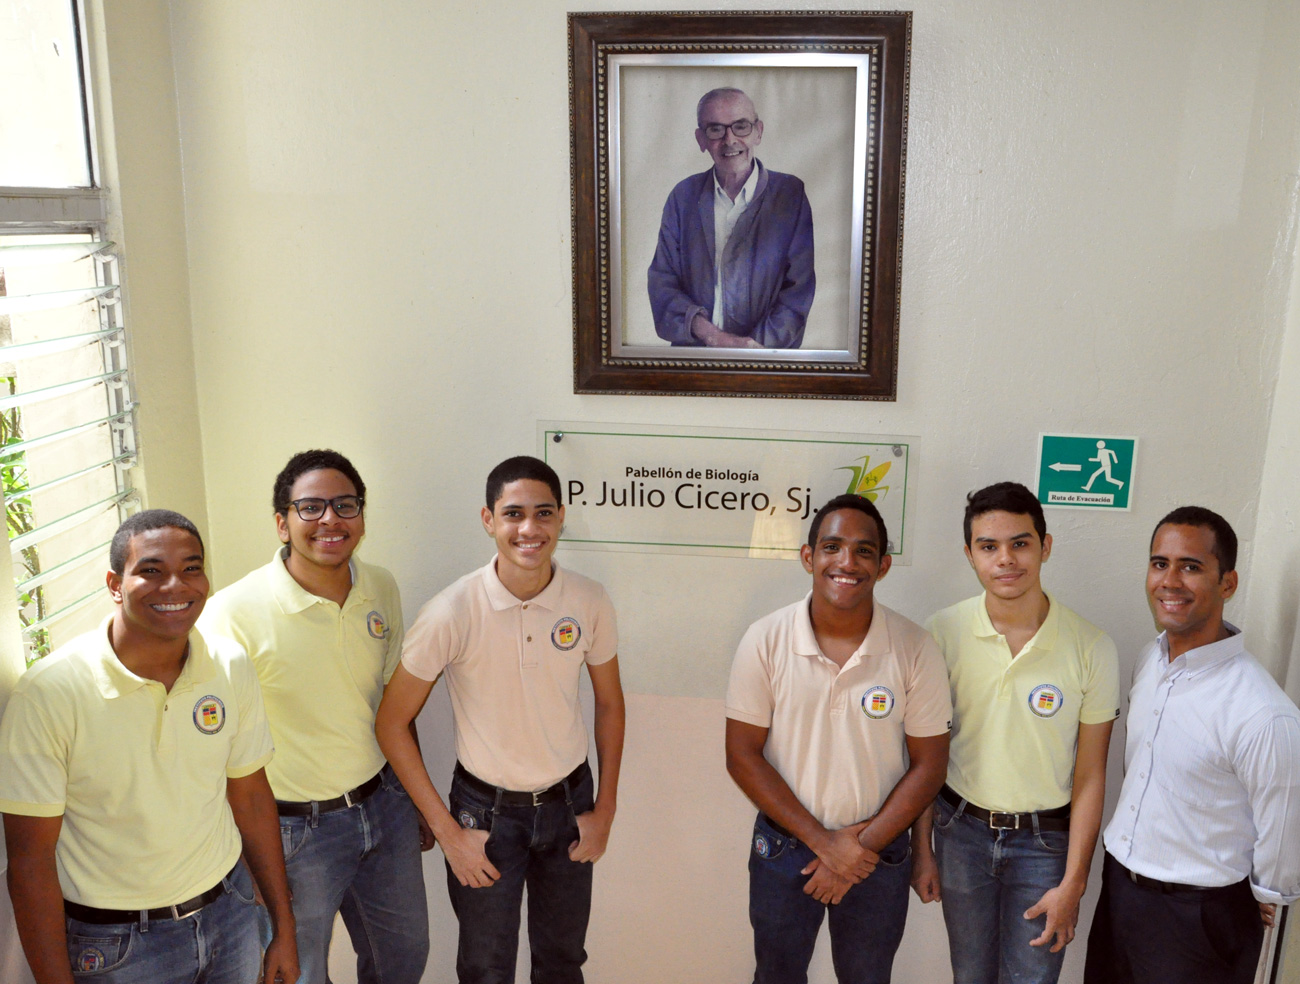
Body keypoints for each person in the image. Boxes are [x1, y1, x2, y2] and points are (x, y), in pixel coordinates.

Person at [0, 509, 298, 984]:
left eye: (192, 568)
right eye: (152, 570)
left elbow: (252, 797)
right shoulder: (49, 694)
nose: (176, 586)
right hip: (118, 948)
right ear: (115, 584)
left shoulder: (229, 664)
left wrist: (284, 925)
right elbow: (31, 864)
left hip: (231, 916)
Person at [375, 455, 625, 984]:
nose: (529, 529)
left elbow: (609, 703)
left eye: (543, 513)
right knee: (485, 969)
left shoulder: (588, 599)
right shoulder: (450, 611)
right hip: (483, 817)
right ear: (489, 520)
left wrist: (605, 809)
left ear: (561, 517)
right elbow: (391, 723)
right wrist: (448, 833)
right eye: (513, 514)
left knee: (563, 963)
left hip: (569, 805)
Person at [199, 450, 430, 984]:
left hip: (385, 808)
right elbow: (214, 744)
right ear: (282, 522)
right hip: (293, 832)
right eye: (311, 507)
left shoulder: (381, 586)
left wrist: (415, 798)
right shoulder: (232, 614)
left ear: (362, 518)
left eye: (344, 505)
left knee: (403, 961)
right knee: (296, 975)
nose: (330, 519)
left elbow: (395, 700)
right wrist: (246, 854)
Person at [725, 494, 951, 984]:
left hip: (878, 851)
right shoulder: (764, 639)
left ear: (883, 565)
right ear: (809, 557)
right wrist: (825, 844)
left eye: (864, 551)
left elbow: (930, 765)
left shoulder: (915, 647)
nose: (847, 562)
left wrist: (856, 848)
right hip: (785, 849)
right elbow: (742, 756)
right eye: (832, 547)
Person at [909, 481, 1119, 984]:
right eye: (989, 546)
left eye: (1020, 543)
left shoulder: (1092, 647)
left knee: (1032, 978)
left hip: (1044, 846)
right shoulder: (940, 633)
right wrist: (923, 850)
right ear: (970, 555)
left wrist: (1075, 881)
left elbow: (1091, 775)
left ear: (1045, 547)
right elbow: (925, 757)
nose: (1006, 559)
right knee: (970, 975)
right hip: (959, 833)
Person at [1083, 506, 1300, 984]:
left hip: (1199, 919)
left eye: (1192, 566)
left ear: (1228, 583)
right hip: (1120, 891)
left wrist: (1263, 897)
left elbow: (1283, 837)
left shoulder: (1264, 712)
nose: (1170, 580)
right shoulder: (1150, 659)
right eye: (1160, 563)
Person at [647, 86, 815, 349]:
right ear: (700, 139)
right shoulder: (683, 197)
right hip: (697, 358)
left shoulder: (789, 196)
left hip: (766, 361)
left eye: (741, 126)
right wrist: (712, 336)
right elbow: (662, 284)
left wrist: (752, 350)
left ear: (758, 131)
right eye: (715, 129)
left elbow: (798, 292)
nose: (729, 140)